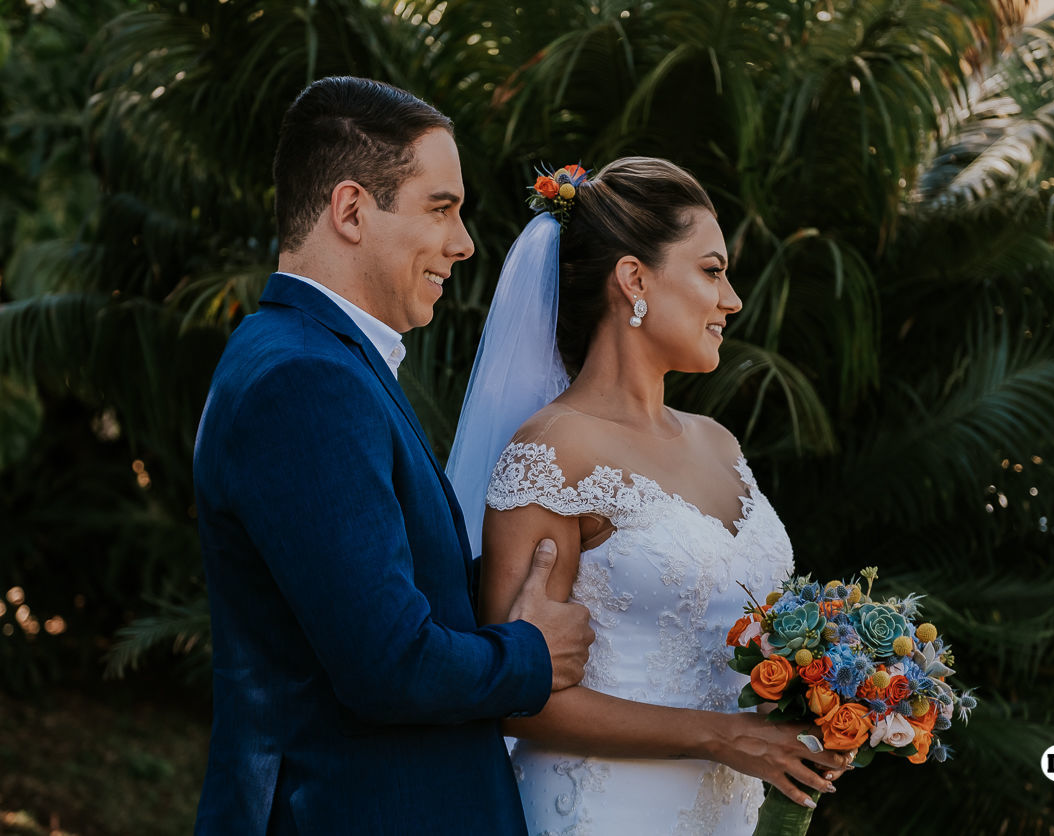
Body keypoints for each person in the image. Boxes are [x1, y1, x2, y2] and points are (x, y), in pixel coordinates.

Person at [191, 76, 593, 835]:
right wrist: (531, 655)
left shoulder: (314, 357)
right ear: (351, 210)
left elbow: (396, 593)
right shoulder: (304, 380)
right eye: (441, 208)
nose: (465, 243)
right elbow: (388, 665)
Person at [447, 158, 852, 834]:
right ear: (633, 279)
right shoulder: (553, 453)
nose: (733, 301)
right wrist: (721, 736)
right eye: (712, 271)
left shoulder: (720, 444)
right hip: (600, 811)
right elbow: (515, 696)